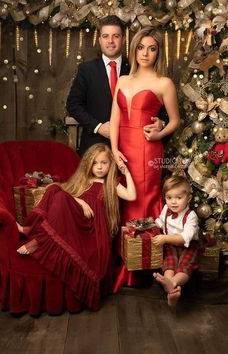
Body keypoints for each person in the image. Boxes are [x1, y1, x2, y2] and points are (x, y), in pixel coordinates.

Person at [16, 143, 136, 312]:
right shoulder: (84, 180)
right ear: (89, 164)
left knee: (60, 196)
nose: (100, 167)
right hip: (75, 221)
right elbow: (59, 190)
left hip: (92, 227)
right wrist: (79, 201)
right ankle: (33, 232)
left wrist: (126, 172)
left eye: (104, 163)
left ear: (111, 164)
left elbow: (132, 195)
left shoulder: (111, 184)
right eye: (95, 163)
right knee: (54, 191)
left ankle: (37, 238)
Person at [110, 27, 180, 291]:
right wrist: (114, 149)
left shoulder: (164, 83)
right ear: (134, 49)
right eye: (141, 47)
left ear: (158, 52)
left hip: (147, 150)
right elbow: (115, 117)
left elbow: (175, 120)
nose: (145, 53)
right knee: (123, 203)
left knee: (142, 199)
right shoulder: (123, 80)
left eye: (152, 48)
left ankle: (142, 267)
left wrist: (159, 131)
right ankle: (124, 260)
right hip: (123, 148)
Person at [66, 16, 163, 155]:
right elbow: (73, 104)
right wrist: (98, 127)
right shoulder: (86, 69)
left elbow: (158, 104)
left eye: (115, 36)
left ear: (123, 39)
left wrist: (161, 123)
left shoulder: (135, 68)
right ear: (100, 40)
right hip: (95, 147)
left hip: (132, 147)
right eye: (105, 36)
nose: (110, 41)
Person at [152, 175, 199, 306]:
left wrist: (165, 238)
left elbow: (185, 238)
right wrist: (151, 225)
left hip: (188, 246)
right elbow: (161, 222)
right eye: (169, 198)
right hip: (170, 245)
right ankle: (170, 288)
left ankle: (172, 283)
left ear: (188, 198)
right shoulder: (167, 209)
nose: (173, 202)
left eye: (179, 198)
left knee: (184, 265)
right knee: (169, 262)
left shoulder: (191, 216)